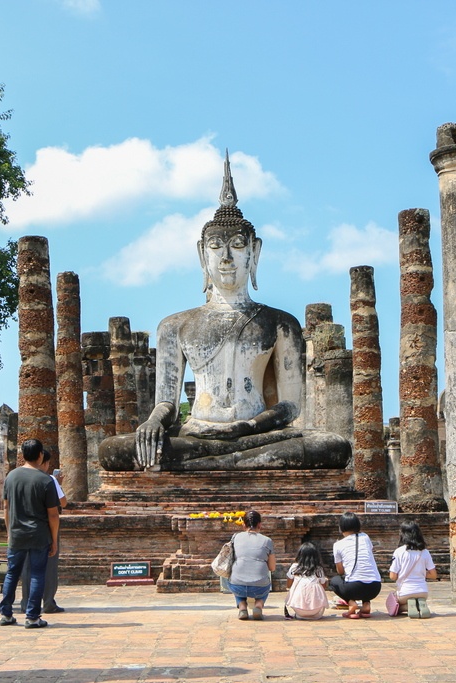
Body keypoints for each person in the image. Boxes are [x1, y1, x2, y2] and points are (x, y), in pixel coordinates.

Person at [98, 154, 350, 472]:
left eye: (238, 245)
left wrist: (245, 428)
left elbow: (290, 406)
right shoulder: (175, 326)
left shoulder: (280, 323)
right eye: (216, 246)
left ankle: (213, 464)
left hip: (258, 434)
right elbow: (168, 403)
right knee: (114, 451)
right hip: (197, 433)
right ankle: (226, 462)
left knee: (331, 447)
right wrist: (153, 421)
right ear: (202, 255)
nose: (227, 257)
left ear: (254, 252)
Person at [0, 438, 60, 629]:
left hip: (16, 534)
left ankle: (6, 614)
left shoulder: (11, 477)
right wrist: (54, 539)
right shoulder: (46, 480)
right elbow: (53, 514)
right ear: (41, 455)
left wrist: (9, 532)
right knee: (37, 574)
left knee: (11, 574)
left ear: (22, 455)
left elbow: (6, 508)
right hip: (39, 535)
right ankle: (32, 617)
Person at [21, 450, 68, 615]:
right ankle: (48, 602)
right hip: (45, 529)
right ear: (43, 460)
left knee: (27, 568)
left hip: (23, 527)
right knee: (48, 567)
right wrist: (58, 484)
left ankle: (25, 602)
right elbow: (60, 506)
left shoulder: (16, 477)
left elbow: (7, 506)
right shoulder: (49, 480)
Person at [225, 510, 276, 621]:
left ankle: (242, 606)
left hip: (237, 586)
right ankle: (259, 605)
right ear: (259, 525)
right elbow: (272, 568)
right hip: (260, 587)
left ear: (243, 525)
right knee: (265, 583)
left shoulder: (235, 537)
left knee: (235, 578)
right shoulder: (267, 541)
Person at [330, 512, 382, 618]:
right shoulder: (365, 537)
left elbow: (340, 572)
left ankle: (351, 602)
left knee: (334, 581)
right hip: (375, 587)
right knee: (364, 576)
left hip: (353, 588)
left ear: (341, 528)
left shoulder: (338, 545)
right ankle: (366, 604)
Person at [388, 521, 437, 619]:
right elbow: (433, 575)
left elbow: (392, 576)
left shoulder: (399, 551)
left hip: (405, 592)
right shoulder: (425, 552)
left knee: (392, 607)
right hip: (423, 592)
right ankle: (419, 605)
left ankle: (407, 607)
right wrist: (421, 572)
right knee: (419, 596)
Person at [284, 543, 327, 620]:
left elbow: (288, 584)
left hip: (298, 608)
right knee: (321, 583)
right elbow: (323, 584)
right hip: (316, 609)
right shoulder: (318, 569)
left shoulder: (294, 567)